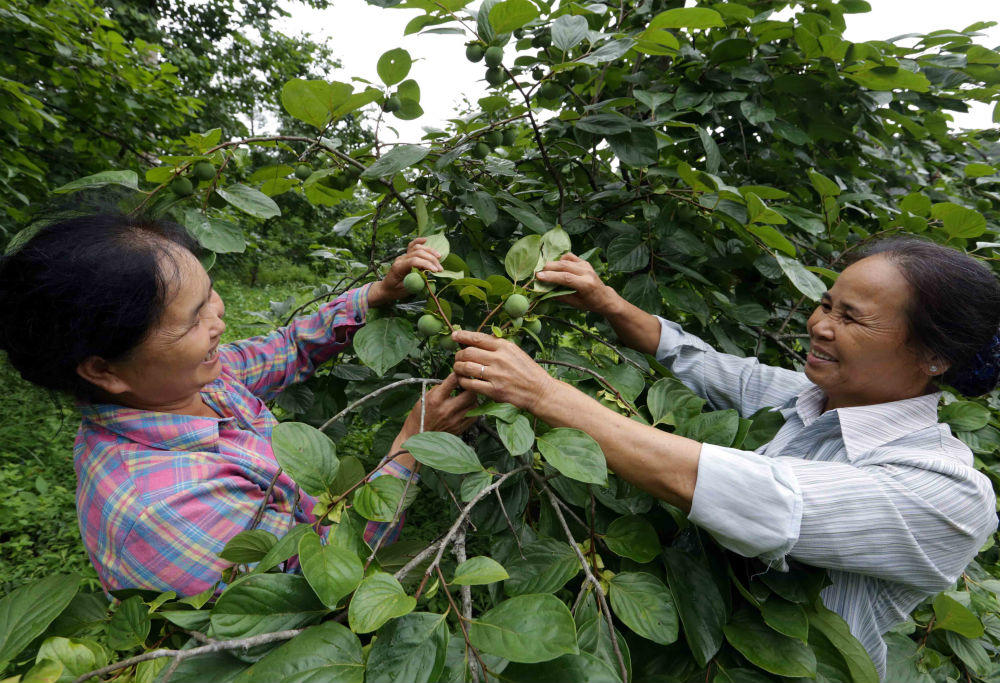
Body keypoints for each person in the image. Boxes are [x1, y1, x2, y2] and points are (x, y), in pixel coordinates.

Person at [451, 237, 999, 679]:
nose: (819, 324)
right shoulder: (803, 395)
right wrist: (607, 302)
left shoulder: (947, 489)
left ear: (933, 356)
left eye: (851, 318)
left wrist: (545, 395)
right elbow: (698, 360)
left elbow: (768, 501)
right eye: (825, 304)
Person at [0, 214, 476, 596]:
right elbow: (322, 590)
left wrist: (374, 297)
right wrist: (411, 449)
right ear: (104, 370)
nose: (219, 320)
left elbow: (289, 347)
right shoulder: (162, 509)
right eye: (192, 320)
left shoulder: (188, 383)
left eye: (209, 294)